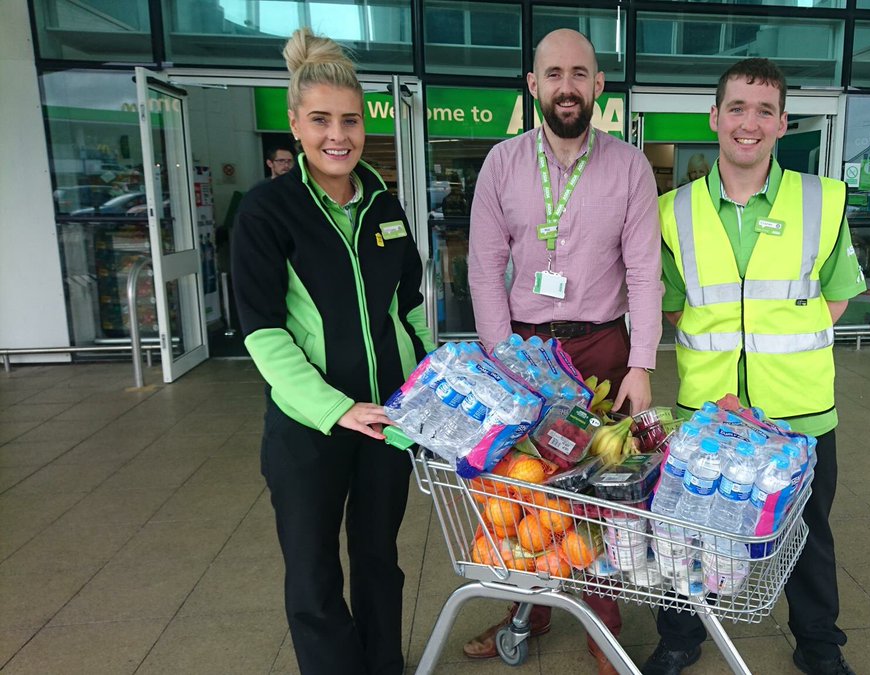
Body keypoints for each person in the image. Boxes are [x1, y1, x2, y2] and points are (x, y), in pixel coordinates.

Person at [649, 58, 866, 675]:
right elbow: (673, 305)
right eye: (737, 108)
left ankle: (820, 647)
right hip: (709, 411)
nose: (750, 122)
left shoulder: (820, 201)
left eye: (764, 111)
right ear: (715, 118)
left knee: (808, 536)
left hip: (799, 410)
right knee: (690, 531)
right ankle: (679, 638)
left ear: (783, 123)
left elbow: (838, 294)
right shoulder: (674, 211)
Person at [232, 28, 433, 675]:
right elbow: (263, 331)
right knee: (314, 570)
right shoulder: (269, 212)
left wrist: (429, 385)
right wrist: (336, 407)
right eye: (320, 120)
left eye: (349, 119)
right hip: (307, 430)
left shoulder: (384, 207)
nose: (336, 135)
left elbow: (410, 308)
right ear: (294, 123)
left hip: (386, 424)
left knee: (379, 558)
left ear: (365, 122)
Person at [466, 28, 662, 675]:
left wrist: (642, 362)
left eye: (580, 73)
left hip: (603, 348)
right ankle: (528, 608)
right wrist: (502, 361)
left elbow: (644, 271)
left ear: (598, 85)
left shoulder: (629, 166)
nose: (567, 86)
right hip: (524, 348)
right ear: (533, 85)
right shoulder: (501, 164)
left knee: (594, 500)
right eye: (554, 74)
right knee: (520, 492)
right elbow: (483, 266)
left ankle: (603, 632)